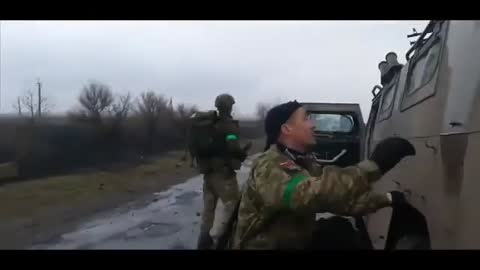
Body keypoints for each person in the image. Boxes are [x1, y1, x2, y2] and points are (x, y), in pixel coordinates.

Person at [229, 100, 415, 249]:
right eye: (306, 119)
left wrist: (387, 199)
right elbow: (314, 193)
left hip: (292, 242)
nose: (313, 125)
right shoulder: (269, 166)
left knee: (338, 230)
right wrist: (373, 166)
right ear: (286, 129)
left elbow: (338, 200)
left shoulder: (303, 161)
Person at [196, 93, 251, 249]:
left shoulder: (208, 124)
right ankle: (222, 244)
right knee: (232, 209)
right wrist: (243, 153)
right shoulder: (228, 125)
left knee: (208, 213)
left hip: (208, 174)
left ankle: (203, 245)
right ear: (229, 106)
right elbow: (232, 146)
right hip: (224, 175)